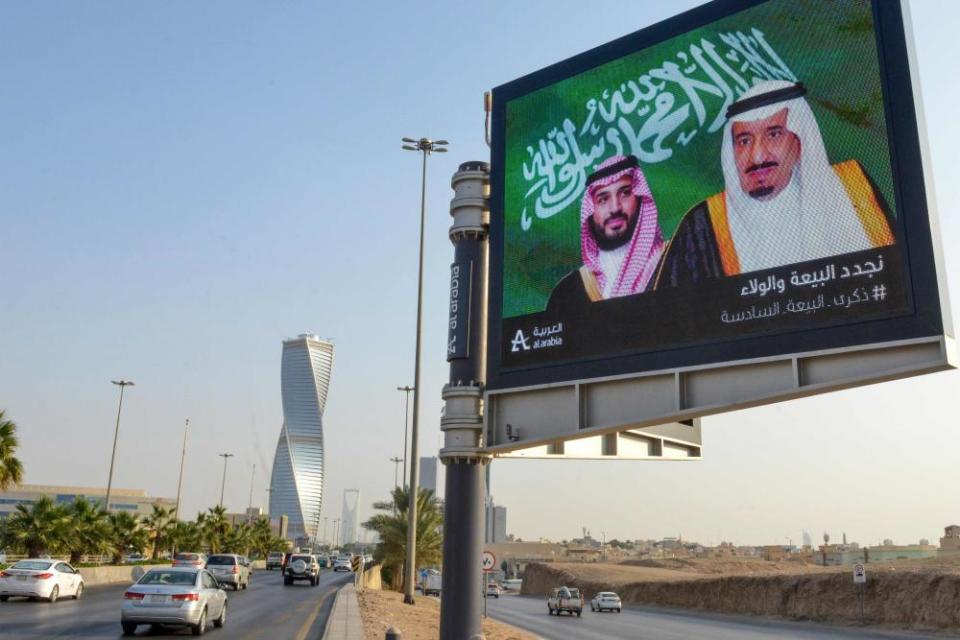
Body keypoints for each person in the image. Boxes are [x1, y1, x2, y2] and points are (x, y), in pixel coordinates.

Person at [657, 80, 895, 287]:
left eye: (774, 134)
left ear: (799, 140)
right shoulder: (703, 225)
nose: (757, 156)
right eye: (744, 141)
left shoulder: (853, 188)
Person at [546, 154, 664, 311]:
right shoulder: (567, 292)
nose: (615, 208)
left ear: (641, 198)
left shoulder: (672, 259)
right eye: (603, 199)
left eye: (625, 193)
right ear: (590, 211)